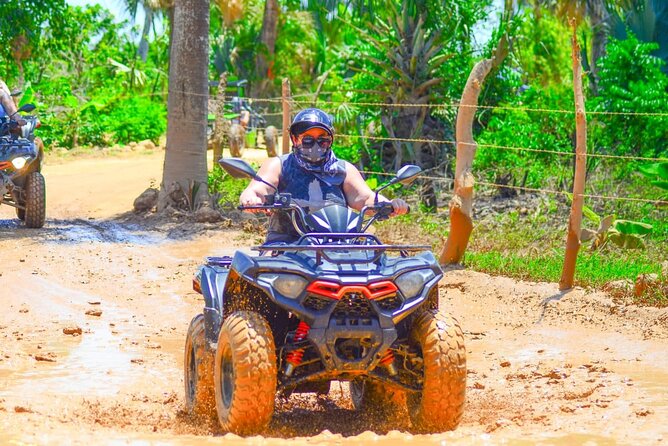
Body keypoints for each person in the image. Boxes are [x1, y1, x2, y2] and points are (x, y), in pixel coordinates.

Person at [239, 107, 409, 243]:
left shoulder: (343, 169)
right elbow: (258, 188)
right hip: (286, 244)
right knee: (264, 273)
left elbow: (364, 198)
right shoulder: (279, 165)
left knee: (375, 268)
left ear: (330, 140)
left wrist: (390, 204)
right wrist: (252, 198)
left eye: (322, 139)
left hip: (338, 244)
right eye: (307, 139)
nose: (315, 145)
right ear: (294, 139)